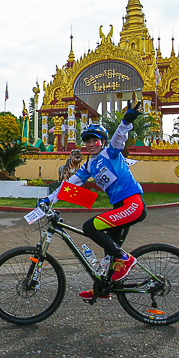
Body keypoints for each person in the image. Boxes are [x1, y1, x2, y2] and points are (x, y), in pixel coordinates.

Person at [39, 101, 146, 301]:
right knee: (108, 256)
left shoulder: (111, 152)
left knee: (90, 227)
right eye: (87, 141)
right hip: (120, 207)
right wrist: (48, 199)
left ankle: (126, 259)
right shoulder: (89, 165)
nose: (91, 144)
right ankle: (102, 289)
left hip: (132, 205)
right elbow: (70, 184)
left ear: (102, 142)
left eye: (95, 141)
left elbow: (119, 137)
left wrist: (126, 121)